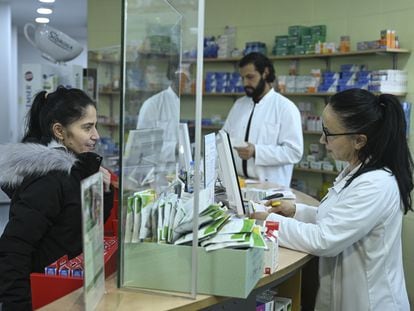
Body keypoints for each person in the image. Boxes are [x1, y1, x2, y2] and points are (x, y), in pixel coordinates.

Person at [252, 88, 413, 310]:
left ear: (358, 140)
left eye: (328, 133)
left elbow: (324, 239)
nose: (321, 139)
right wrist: (296, 211)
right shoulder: (355, 172)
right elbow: (337, 217)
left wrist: (266, 222)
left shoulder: (376, 184)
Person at [0, 86, 114, 310]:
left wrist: (104, 189)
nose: (96, 136)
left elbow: (82, 226)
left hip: (65, 292)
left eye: (95, 126)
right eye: (87, 127)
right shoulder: (49, 179)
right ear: (60, 131)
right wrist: (19, 306)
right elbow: (14, 248)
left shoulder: (75, 168)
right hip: (43, 298)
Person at [222, 52, 303, 187]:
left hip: (270, 188)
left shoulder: (285, 108)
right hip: (238, 184)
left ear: (265, 73)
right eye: (242, 78)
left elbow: (294, 152)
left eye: (250, 77)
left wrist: (257, 151)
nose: (245, 83)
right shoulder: (239, 105)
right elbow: (223, 139)